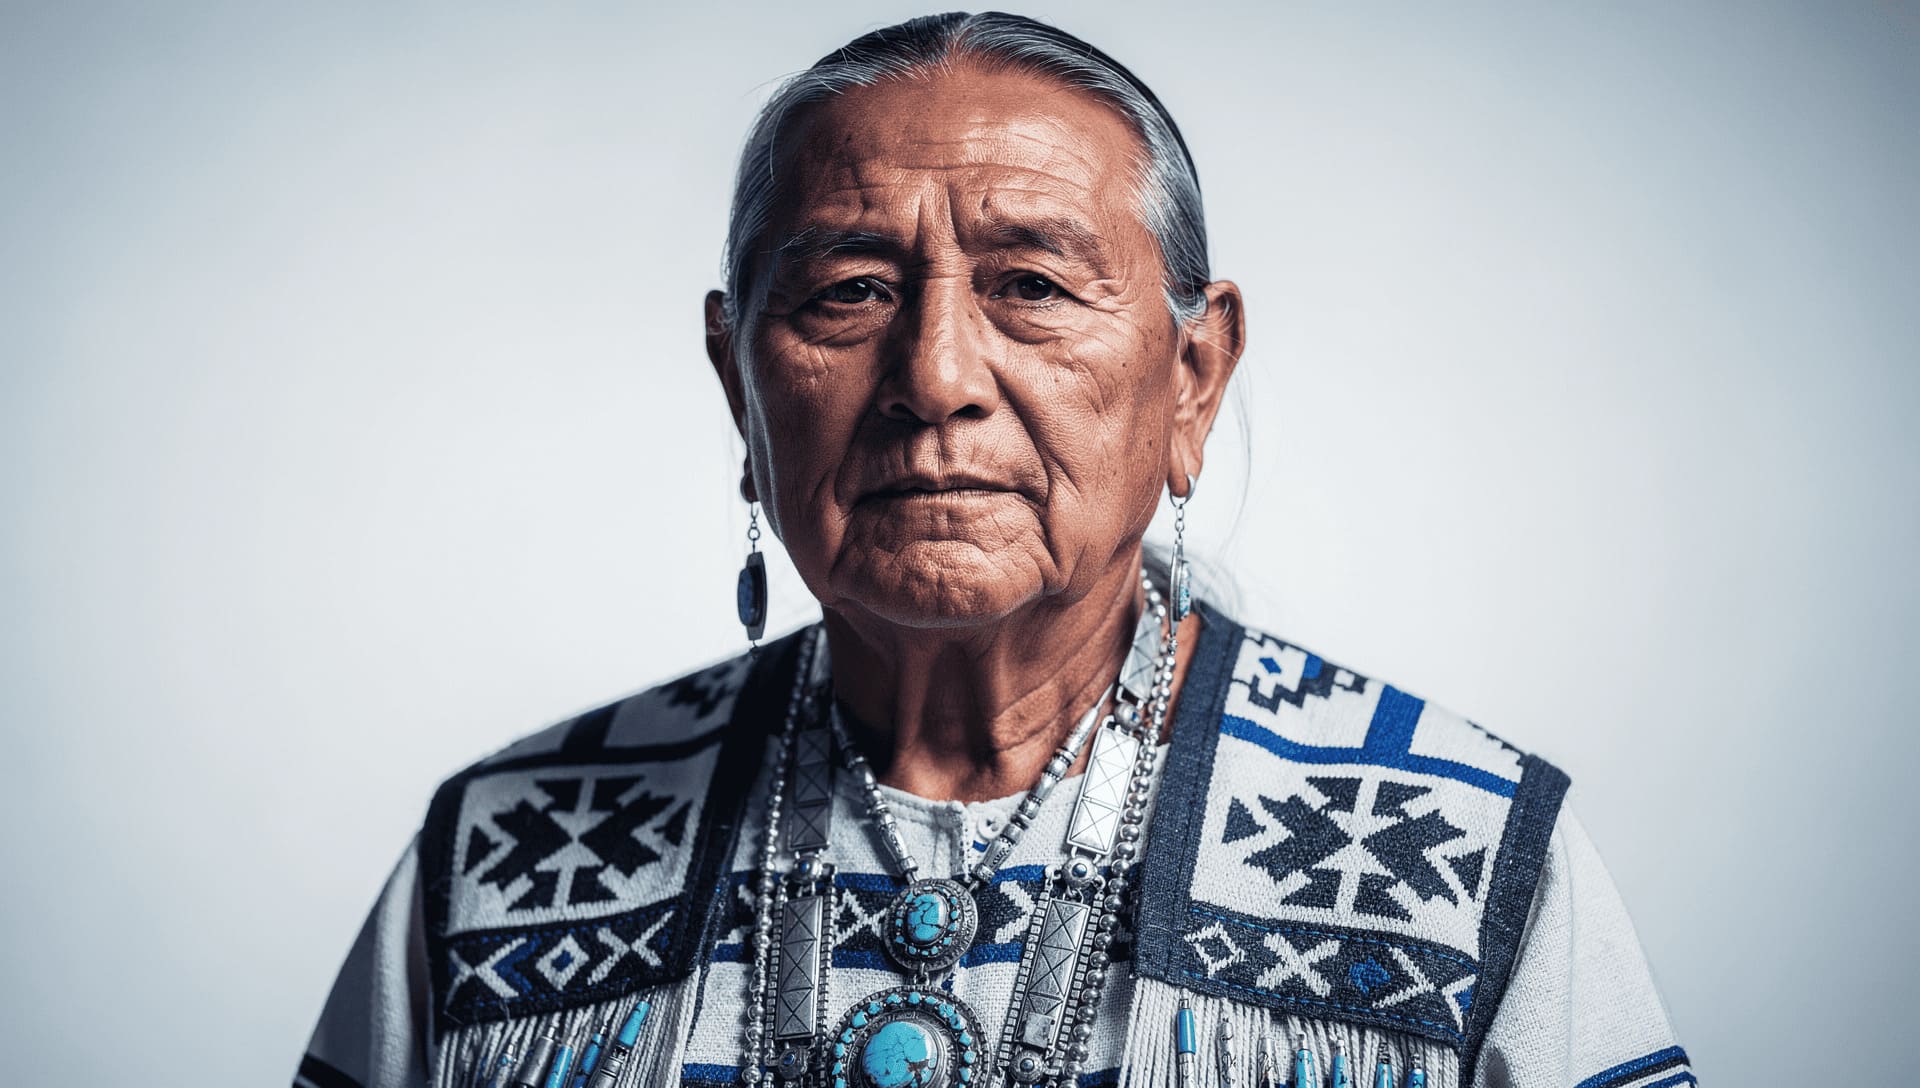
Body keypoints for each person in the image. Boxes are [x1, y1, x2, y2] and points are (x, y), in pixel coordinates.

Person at [298, 12, 1691, 1088]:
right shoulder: (496, 859)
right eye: (849, 292)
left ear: (1193, 377)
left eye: (1031, 285)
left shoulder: (1464, 854)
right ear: (739, 381)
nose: (937, 376)